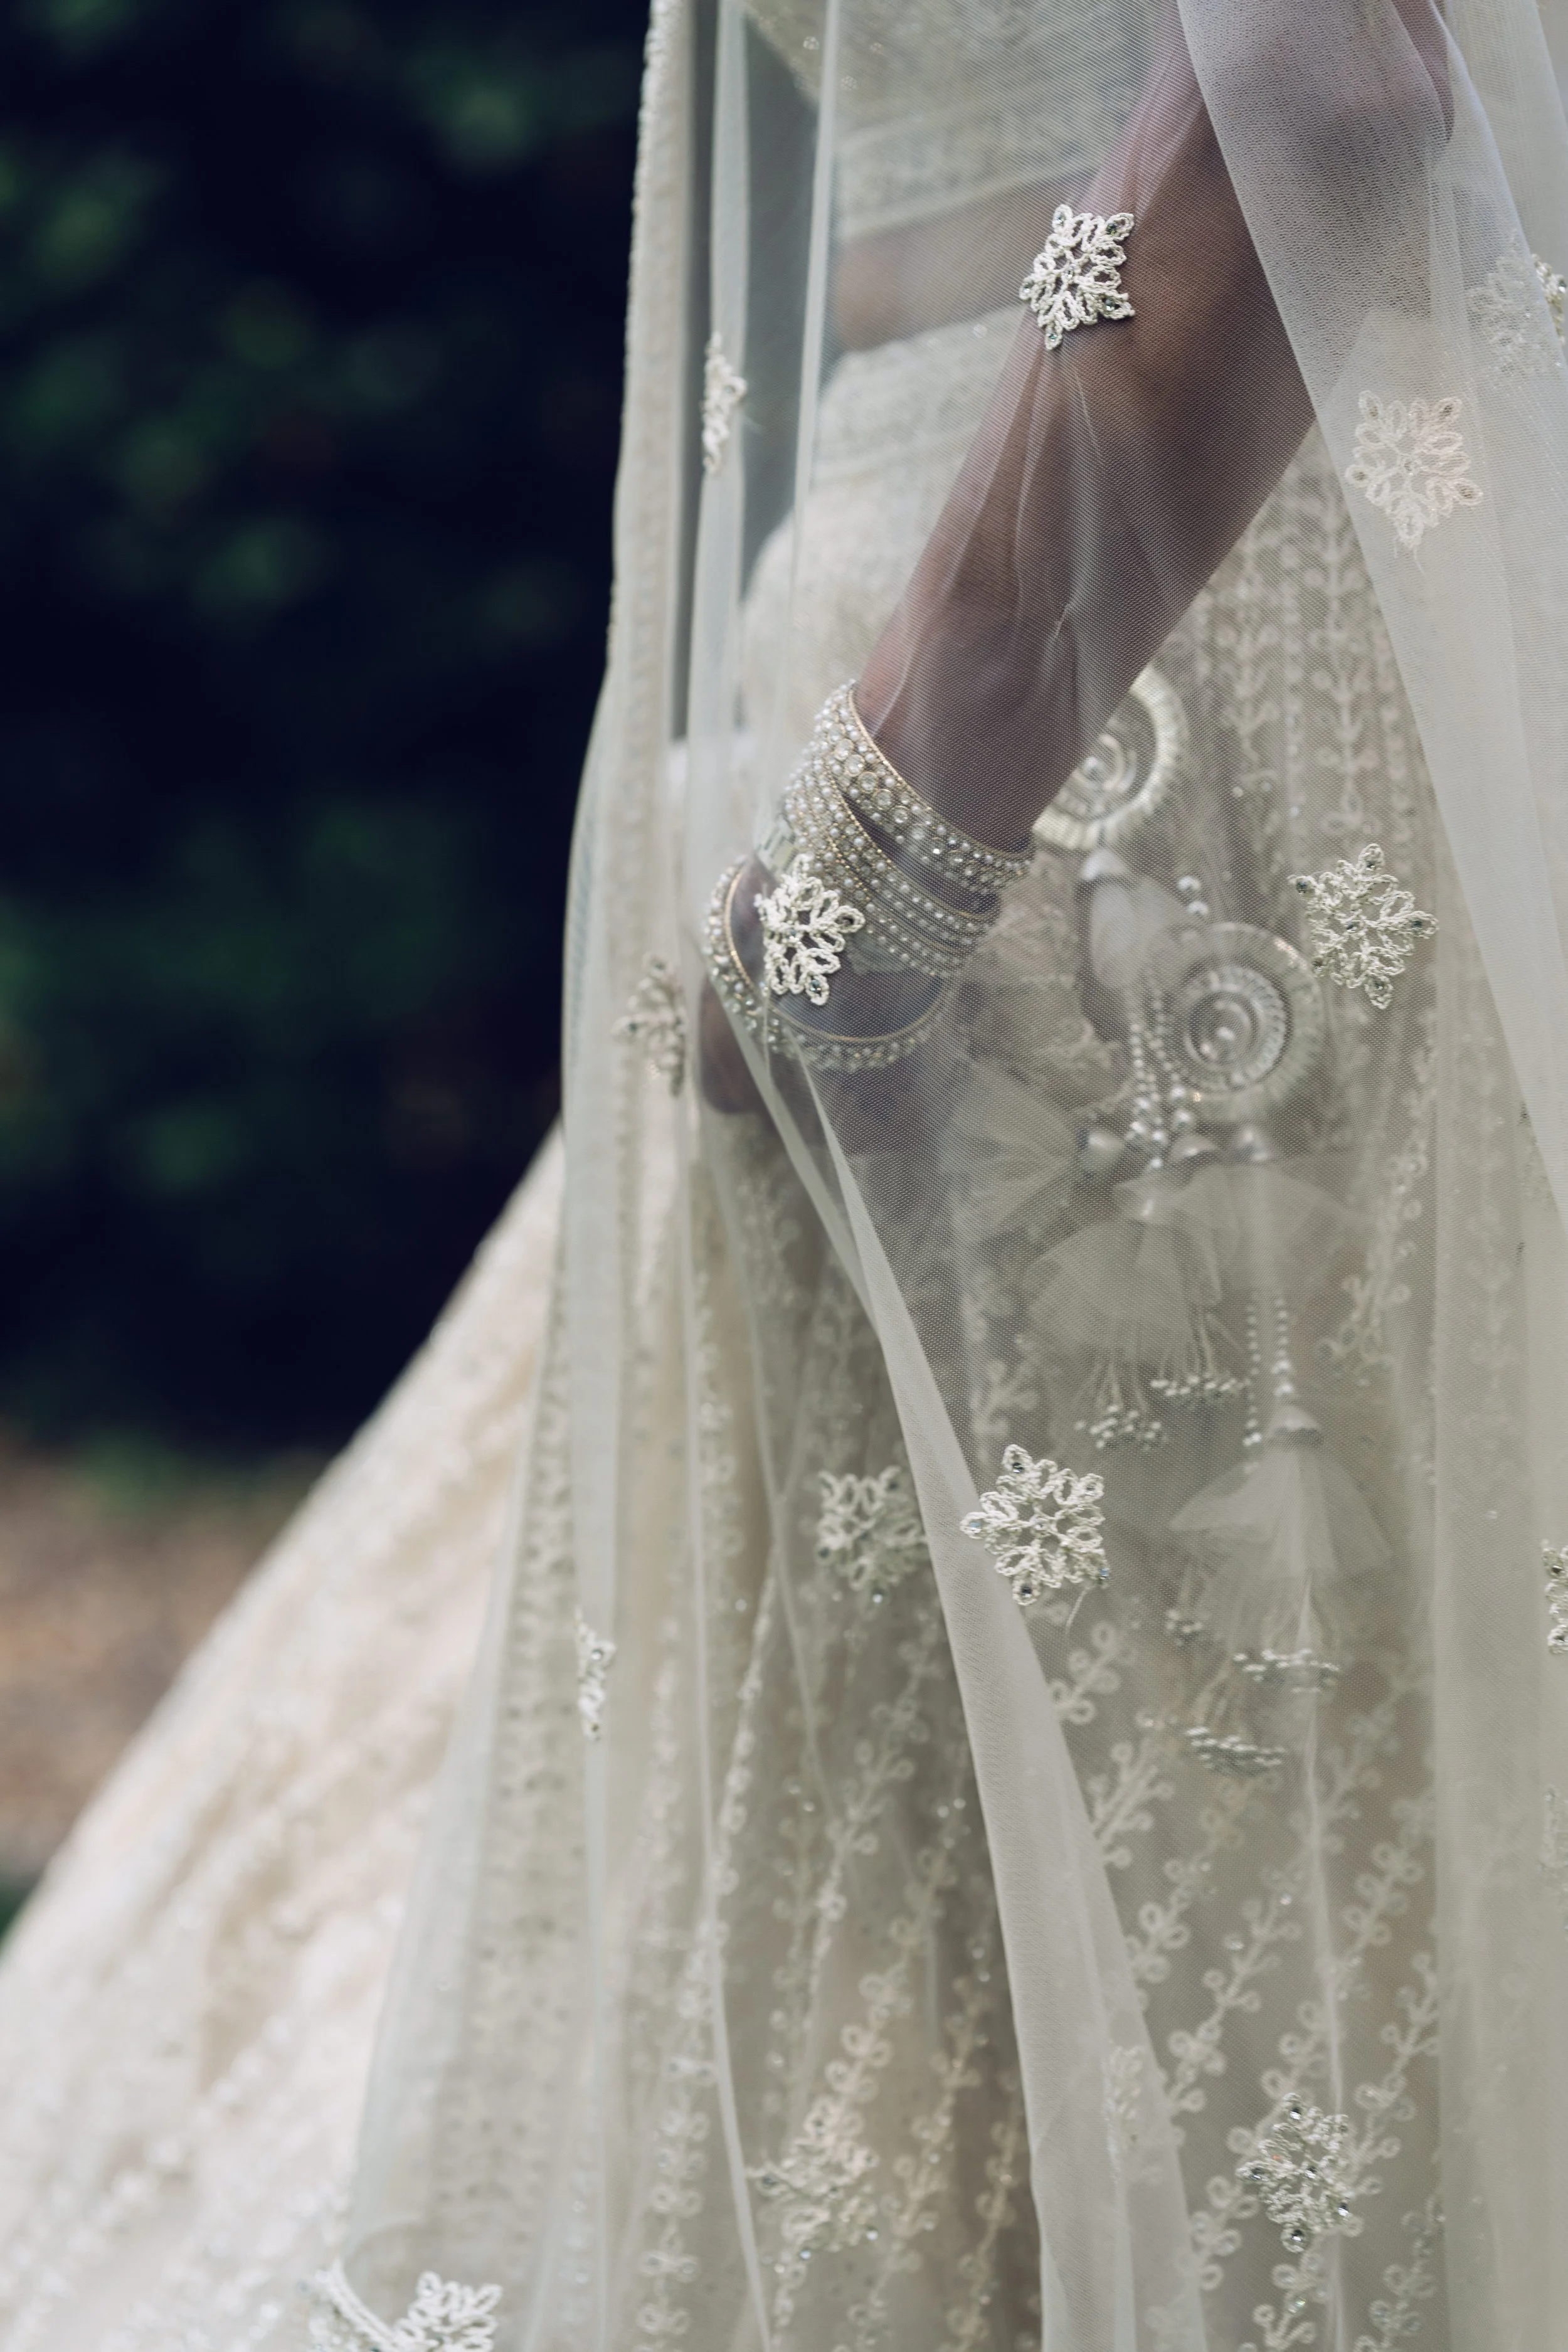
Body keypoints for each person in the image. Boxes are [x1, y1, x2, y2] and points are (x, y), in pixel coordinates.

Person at [6, 0, 1568, 2345]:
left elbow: (1321, 79)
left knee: (1209, 1994)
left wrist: (881, 857)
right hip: (1063, 668)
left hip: (1094, 751)